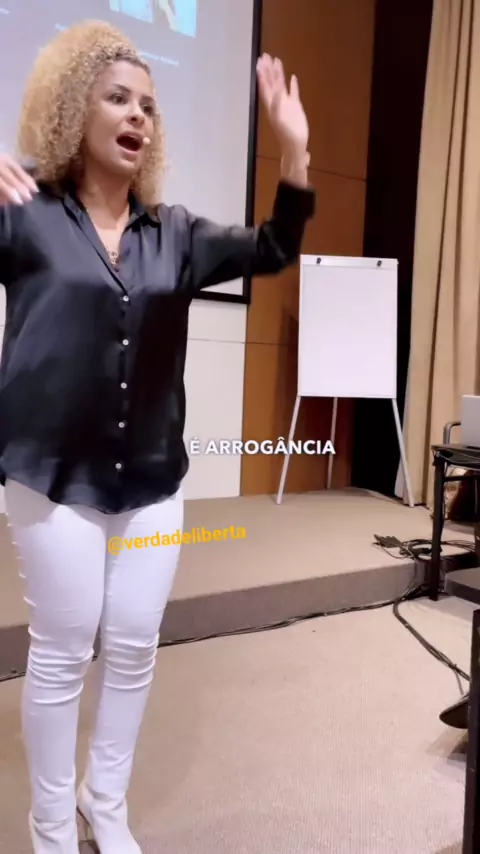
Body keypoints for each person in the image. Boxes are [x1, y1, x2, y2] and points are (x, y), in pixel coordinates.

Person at [0, 18, 314, 854]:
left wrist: (293, 151)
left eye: (148, 104)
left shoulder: (176, 233)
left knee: (135, 645)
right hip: (50, 475)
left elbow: (275, 245)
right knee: (63, 650)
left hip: (150, 481)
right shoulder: (24, 215)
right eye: (118, 98)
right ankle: (49, 826)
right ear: (75, 109)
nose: (138, 115)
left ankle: (105, 804)